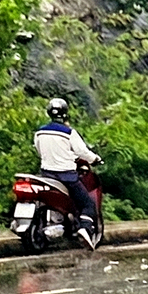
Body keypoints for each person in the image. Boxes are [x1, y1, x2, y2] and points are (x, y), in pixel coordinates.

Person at [34, 98, 102, 247]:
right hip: (67, 177)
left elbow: (39, 151)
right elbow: (82, 151)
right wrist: (95, 159)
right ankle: (85, 228)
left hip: (46, 175)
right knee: (88, 204)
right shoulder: (69, 132)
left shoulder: (40, 132)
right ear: (65, 114)